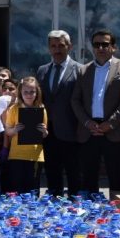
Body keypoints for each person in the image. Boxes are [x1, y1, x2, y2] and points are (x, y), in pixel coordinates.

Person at [71, 30, 120, 197]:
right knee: (88, 178)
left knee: (116, 179)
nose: (100, 48)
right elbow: (75, 100)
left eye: (105, 44)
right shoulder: (83, 70)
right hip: (89, 131)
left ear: (113, 47)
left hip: (114, 131)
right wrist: (87, 122)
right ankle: (91, 217)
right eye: (96, 44)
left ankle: (118, 218)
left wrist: (111, 123)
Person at [36, 30, 84, 196]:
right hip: (48, 131)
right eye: (53, 46)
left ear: (69, 47)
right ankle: (54, 207)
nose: (57, 49)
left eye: (61, 45)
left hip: (72, 130)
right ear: (49, 48)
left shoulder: (80, 70)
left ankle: (75, 208)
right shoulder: (42, 70)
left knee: (74, 174)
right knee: (52, 172)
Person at [0, 77, 48, 195]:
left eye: (32, 92)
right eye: (26, 92)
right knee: (17, 190)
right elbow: (7, 131)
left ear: (37, 92)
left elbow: (45, 134)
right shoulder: (14, 109)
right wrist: (15, 130)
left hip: (35, 156)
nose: (29, 95)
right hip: (17, 155)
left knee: (33, 191)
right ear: (20, 92)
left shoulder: (41, 108)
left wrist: (44, 131)